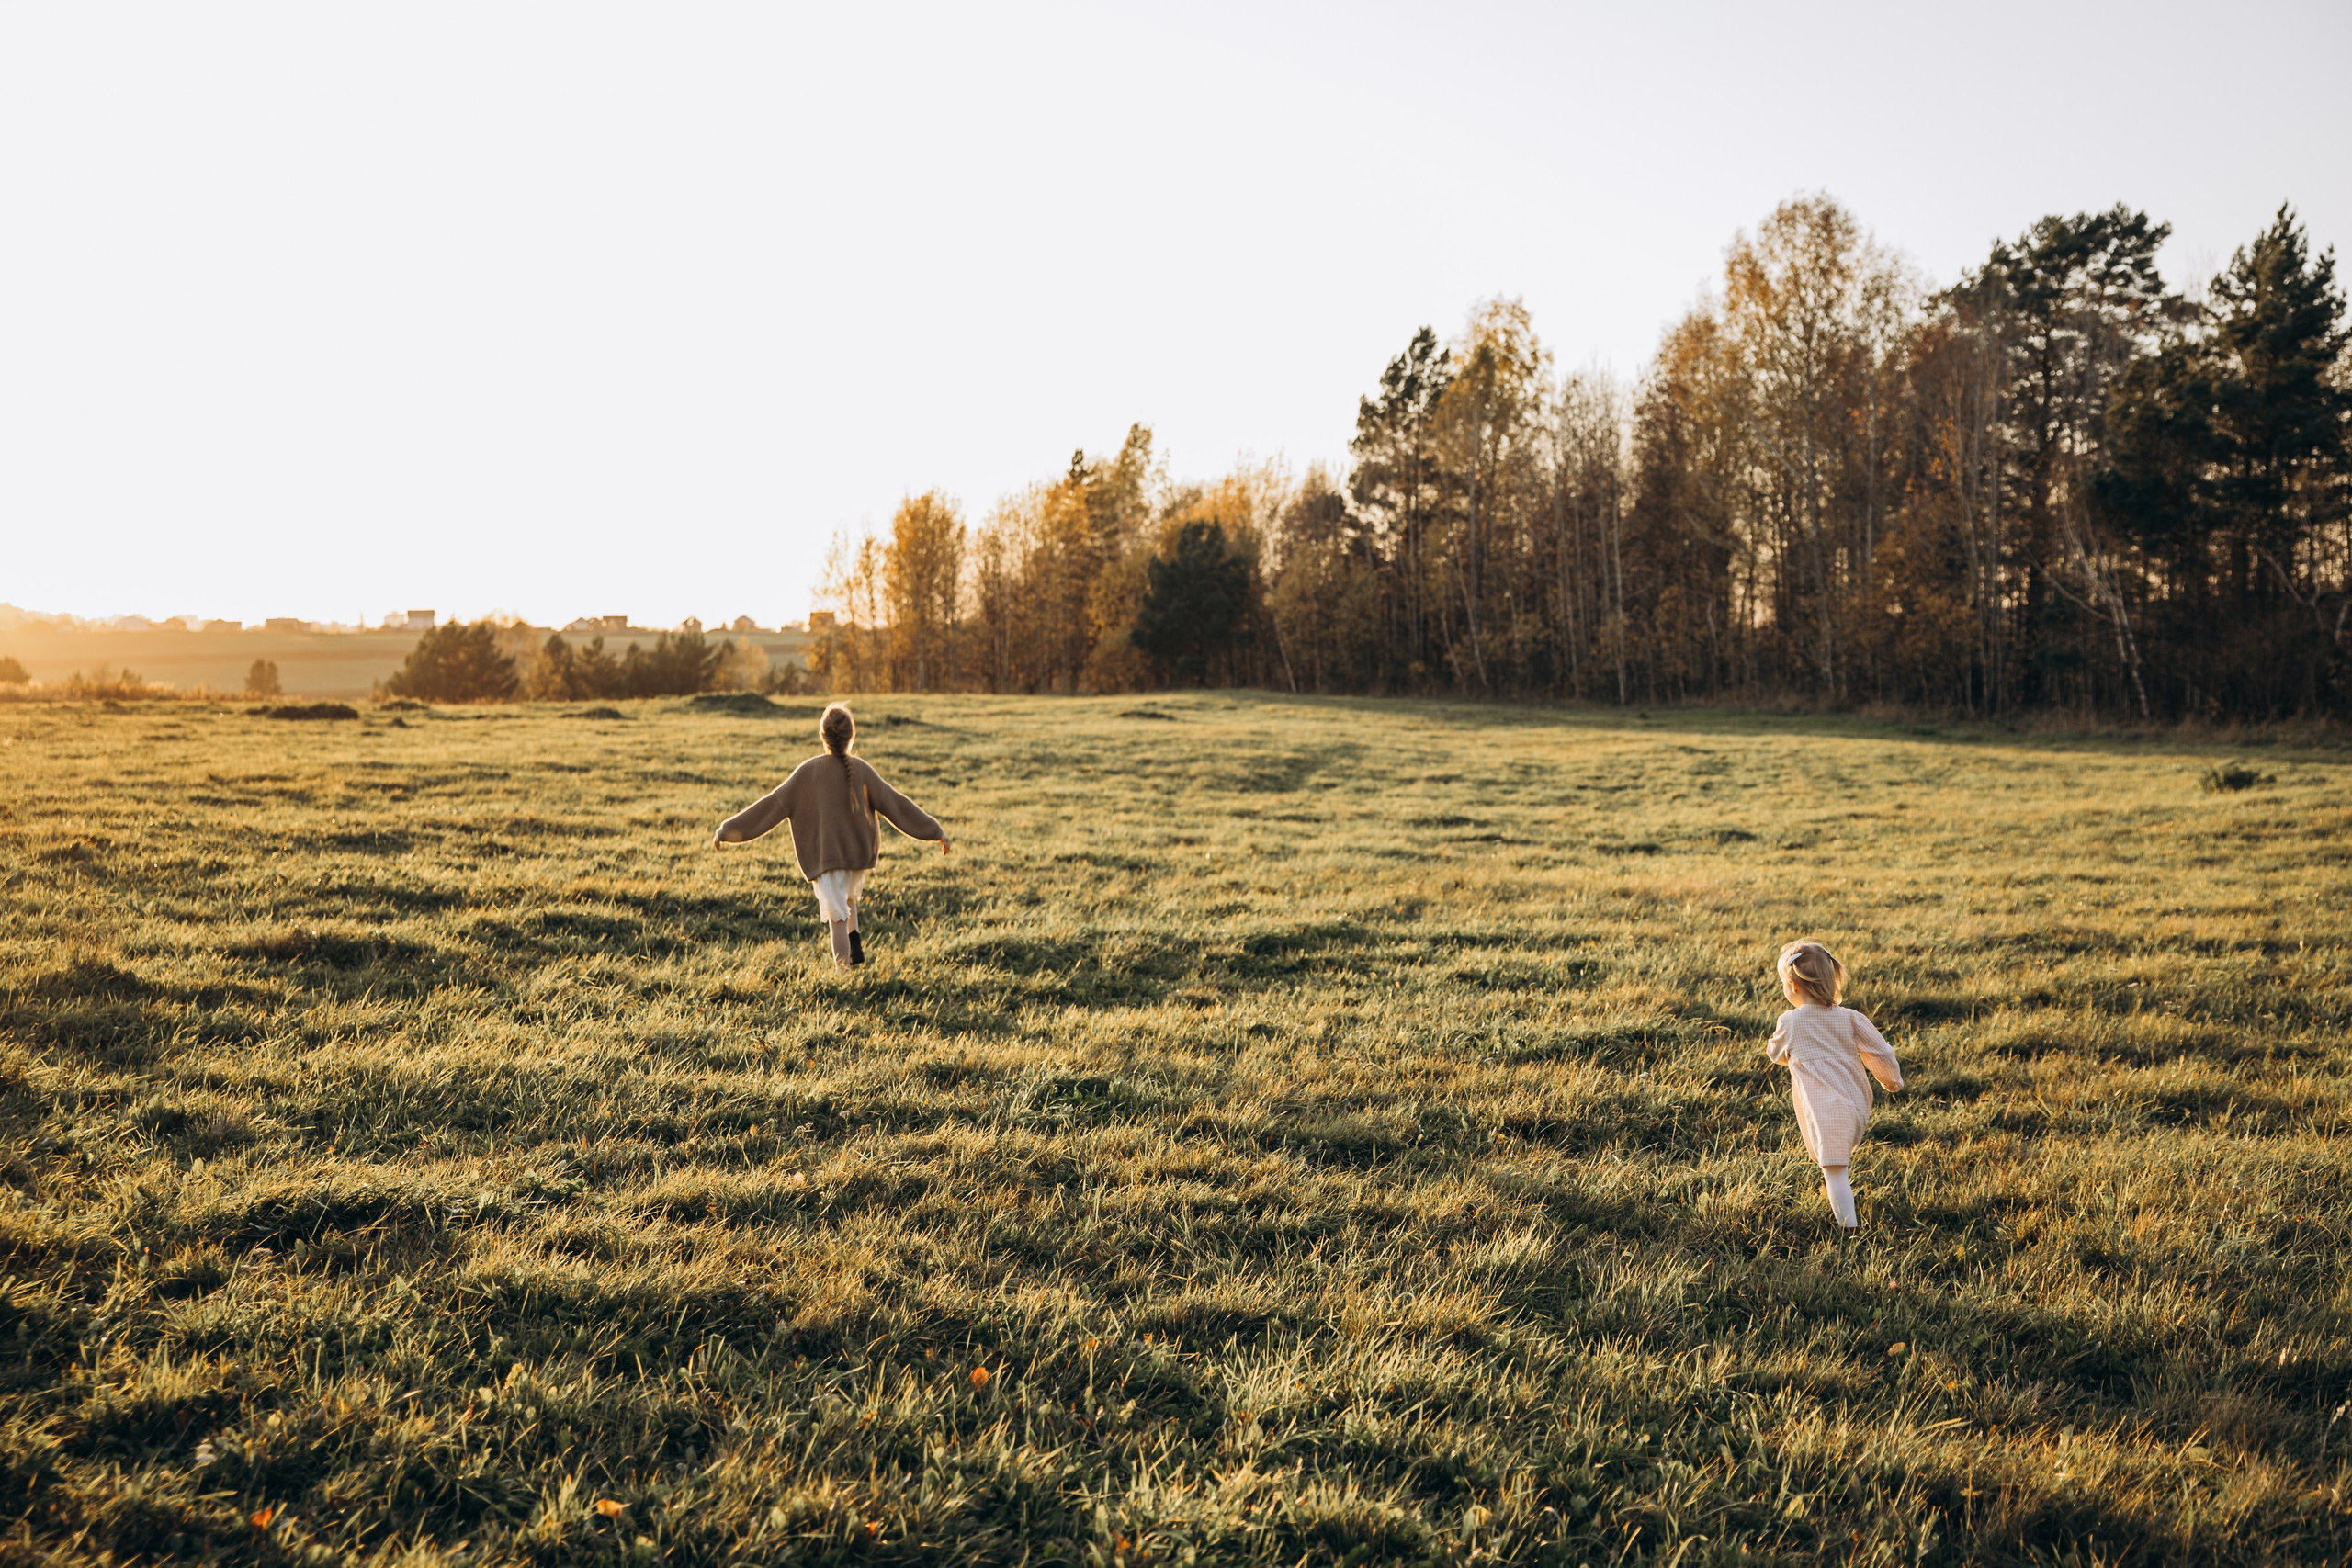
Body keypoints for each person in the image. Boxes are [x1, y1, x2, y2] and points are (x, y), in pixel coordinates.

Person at [710, 703, 950, 968]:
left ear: (822, 735)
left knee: (837, 917)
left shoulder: (807, 772)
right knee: (848, 900)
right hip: (856, 858)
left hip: (829, 859)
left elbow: (768, 807)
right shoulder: (861, 769)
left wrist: (726, 830)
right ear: (851, 737)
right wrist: (934, 829)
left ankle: (843, 974)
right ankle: (855, 951)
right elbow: (896, 804)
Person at [1766, 940, 1903, 1230]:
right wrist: (1892, 1081)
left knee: (1835, 1172)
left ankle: (1849, 1230)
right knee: (1836, 1163)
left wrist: (1795, 1051)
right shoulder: (1851, 1017)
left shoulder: (1790, 1021)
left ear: (1793, 987)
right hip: (1855, 1103)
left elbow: (1775, 1054)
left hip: (1826, 1110)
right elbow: (1882, 1052)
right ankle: (1848, 1220)